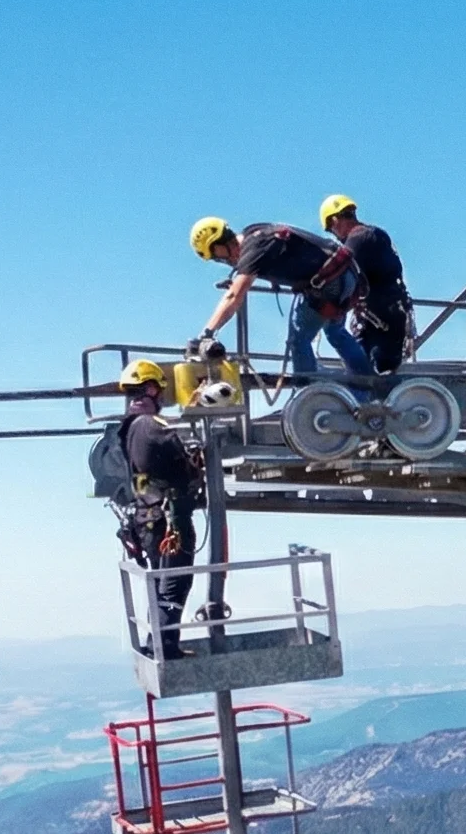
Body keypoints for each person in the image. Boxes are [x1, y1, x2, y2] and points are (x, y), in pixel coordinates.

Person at [188, 216, 371, 377]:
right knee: (335, 332)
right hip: (346, 275)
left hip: (329, 282)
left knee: (298, 341)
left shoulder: (252, 249)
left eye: (218, 256)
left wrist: (207, 333)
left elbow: (234, 296)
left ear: (220, 243)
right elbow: (287, 252)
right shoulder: (255, 232)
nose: (224, 261)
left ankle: (309, 391)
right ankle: (369, 385)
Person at [114, 359, 204, 656]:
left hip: (147, 518)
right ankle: (165, 647)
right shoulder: (151, 426)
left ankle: (159, 644)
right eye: (159, 390)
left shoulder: (128, 429)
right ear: (151, 388)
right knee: (174, 583)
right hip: (167, 520)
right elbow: (181, 454)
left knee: (161, 581)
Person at [319, 194, 415, 373]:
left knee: (371, 378)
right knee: (367, 375)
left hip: (381, 325)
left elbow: (339, 273)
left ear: (334, 220)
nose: (335, 236)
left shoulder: (359, 240)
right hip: (384, 319)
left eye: (331, 230)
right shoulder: (373, 235)